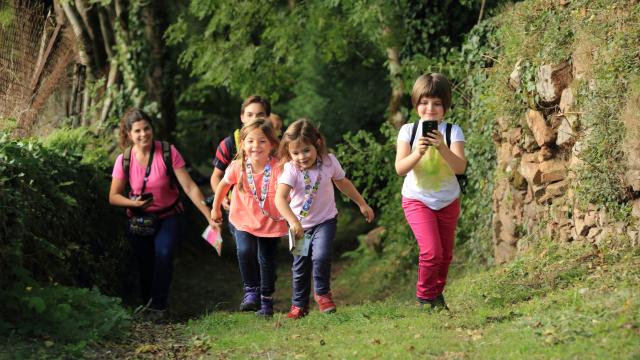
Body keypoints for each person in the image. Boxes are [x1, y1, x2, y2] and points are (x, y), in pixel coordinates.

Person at [109, 108, 214, 321]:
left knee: (163, 255)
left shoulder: (168, 152)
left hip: (169, 216)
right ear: (129, 134)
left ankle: (159, 307)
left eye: (146, 128)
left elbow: (189, 187)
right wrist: (133, 202)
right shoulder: (124, 160)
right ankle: (148, 303)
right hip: (139, 219)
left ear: (152, 129)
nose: (143, 134)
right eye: (137, 131)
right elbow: (113, 196)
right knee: (144, 262)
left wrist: (209, 215)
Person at [275, 118, 374, 319]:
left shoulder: (329, 162)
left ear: (317, 143)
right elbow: (279, 199)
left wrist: (362, 203)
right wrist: (293, 222)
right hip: (299, 226)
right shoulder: (291, 169)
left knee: (320, 256)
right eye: (295, 153)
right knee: (300, 265)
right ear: (288, 152)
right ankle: (299, 305)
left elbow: (343, 183)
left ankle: (322, 294)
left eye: (306, 150)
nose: (301, 157)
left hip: (325, 221)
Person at [394, 73, 466, 310]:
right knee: (432, 252)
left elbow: (460, 167)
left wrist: (442, 148)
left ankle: (437, 295)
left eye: (437, 103)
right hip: (417, 199)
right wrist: (419, 152)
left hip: (448, 200)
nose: (430, 108)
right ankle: (425, 297)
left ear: (445, 106)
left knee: (445, 256)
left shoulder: (453, 132)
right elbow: (400, 168)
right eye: (424, 102)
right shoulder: (408, 131)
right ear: (416, 105)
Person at [211, 118, 287, 317]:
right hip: (243, 220)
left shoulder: (279, 167)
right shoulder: (237, 166)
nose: (256, 146)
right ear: (242, 144)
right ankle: (251, 291)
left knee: (266, 261)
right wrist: (216, 208)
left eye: (262, 141)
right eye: (251, 141)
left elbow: (290, 191)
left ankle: (267, 301)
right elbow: (222, 186)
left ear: (271, 144)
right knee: (245, 250)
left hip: (270, 223)